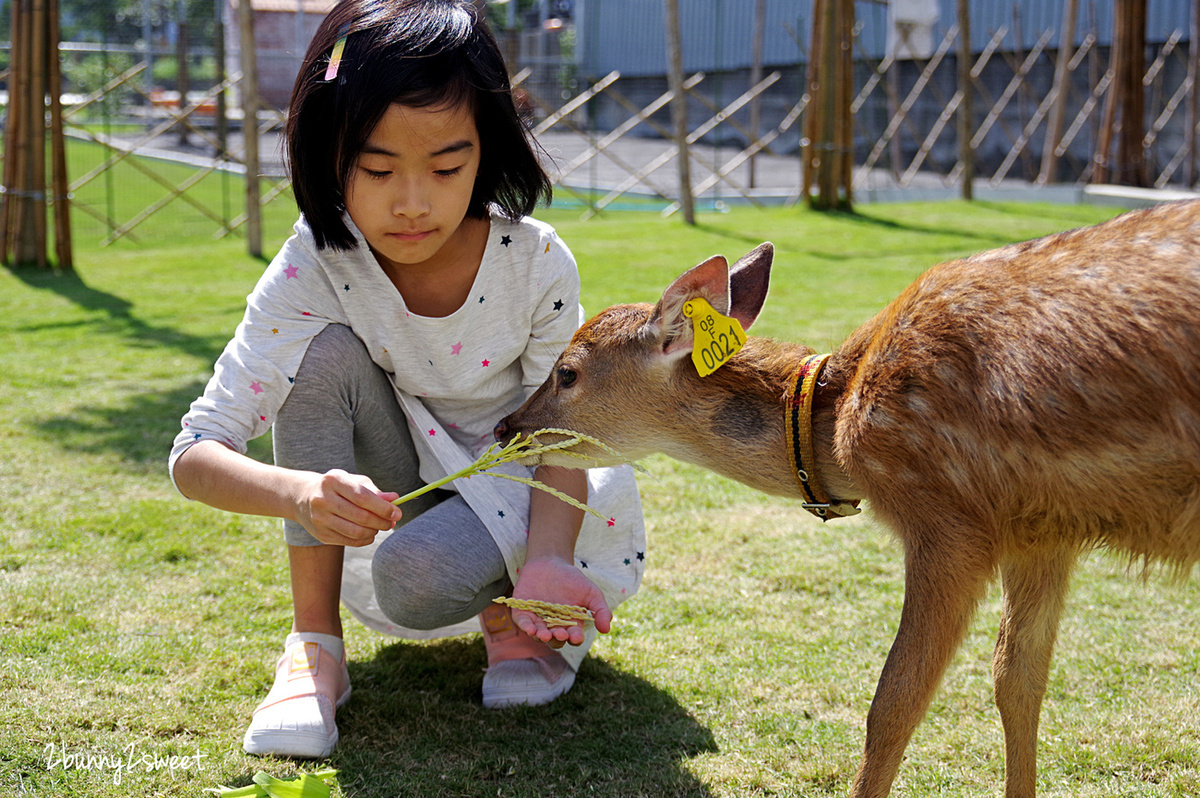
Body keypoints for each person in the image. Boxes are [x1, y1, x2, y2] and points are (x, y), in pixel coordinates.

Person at [168, 0, 644, 759]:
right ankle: (313, 651)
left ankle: (517, 610)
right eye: (378, 167)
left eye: (447, 167)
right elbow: (196, 451)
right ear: (328, 153)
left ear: (488, 151)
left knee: (414, 578)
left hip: (527, 484)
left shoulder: (535, 261)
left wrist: (550, 559)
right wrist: (300, 493)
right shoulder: (316, 260)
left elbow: (562, 430)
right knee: (319, 357)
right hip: (411, 478)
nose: (412, 203)